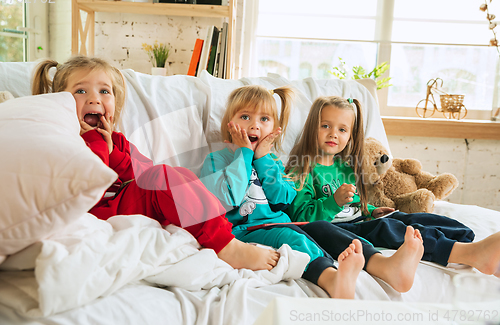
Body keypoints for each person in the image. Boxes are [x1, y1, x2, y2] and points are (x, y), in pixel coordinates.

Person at [31, 55, 282, 272]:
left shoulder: (118, 141)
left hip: (125, 202)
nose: (95, 99)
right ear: (60, 101)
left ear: (115, 102)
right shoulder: (66, 138)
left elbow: (143, 172)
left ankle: (220, 229)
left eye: (104, 91)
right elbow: (86, 184)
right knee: (162, 178)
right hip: (99, 211)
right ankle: (226, 246)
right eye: (81, 91)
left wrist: (115, 152)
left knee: (172, 174)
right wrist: (94, 141)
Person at [199, 84, 423, 298]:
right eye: (245, 117)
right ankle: (331, 280)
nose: (255, 126)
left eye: (264, 119)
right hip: (244, 230)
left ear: (274, 129)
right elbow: (228, 197)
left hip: (282, 223)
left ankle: (370, 268)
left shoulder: (272, 162)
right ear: (230, 124)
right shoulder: (216, 160)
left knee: (321, 231)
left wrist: (262, 159)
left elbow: (283, 200)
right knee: (293, 237)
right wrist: (244, 154)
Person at [285, 95, 500, 277]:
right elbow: (302, 219)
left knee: (409, 219)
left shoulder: (345, 167)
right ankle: (469, 253)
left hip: (361, 218)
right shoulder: (301, 169)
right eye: (326, 126)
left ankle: (467, 238)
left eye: (342, 129)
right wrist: (333, 202)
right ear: (313, 126)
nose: (333, 133)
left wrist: (371, 210)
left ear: (350, 136)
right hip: (340, 228)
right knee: (389, 229)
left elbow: (356, 205)